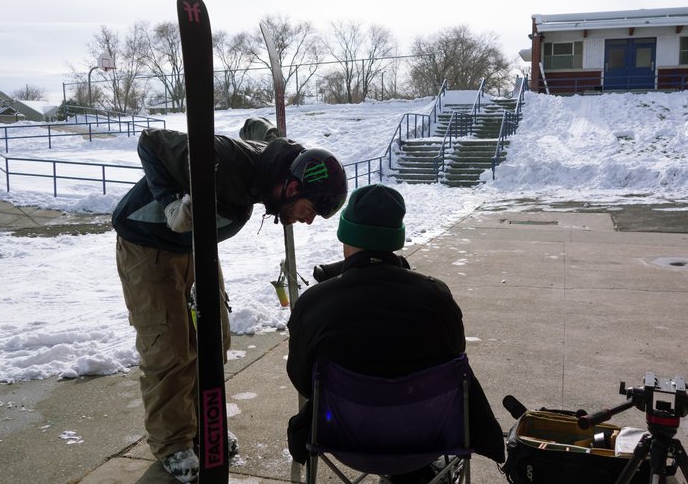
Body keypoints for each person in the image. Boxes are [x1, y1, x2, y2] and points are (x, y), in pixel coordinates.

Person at [113, 117, 347, 483]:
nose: (308, 221)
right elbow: (151, 141)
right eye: (310, 210)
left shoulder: (280, 167)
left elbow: (267, 136)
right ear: (292, 187)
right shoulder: (224, 158)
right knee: (169, 348)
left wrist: (264, 130)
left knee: (212, 339)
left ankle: (205, 426)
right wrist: (173, 202)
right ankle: (173, 443)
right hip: (148, 247)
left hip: (196, 249)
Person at [285, 184, 505, 482]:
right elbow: (455, 363)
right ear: (396, 237)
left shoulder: (315, 303)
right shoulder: (437, 298)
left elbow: (302, 379)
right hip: (426, 438)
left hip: (342, 437)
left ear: (346, 234)